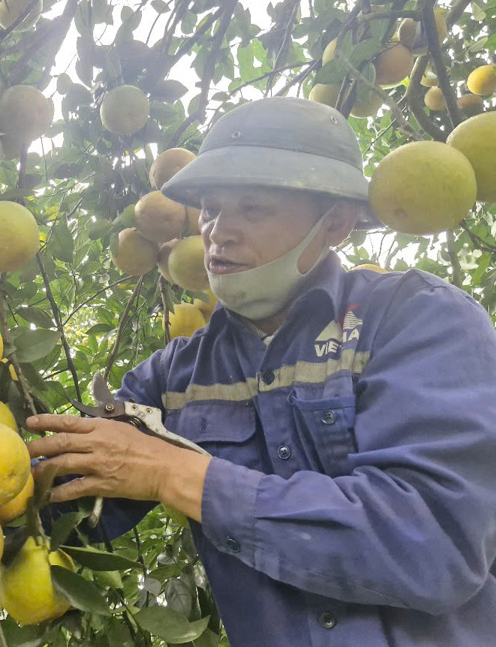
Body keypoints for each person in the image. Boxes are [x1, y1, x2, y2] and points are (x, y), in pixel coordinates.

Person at [27, 97, 496, 646]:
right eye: (211, 209)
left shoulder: (414, 320)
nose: (219, 232)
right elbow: (71, 499)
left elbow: (433, 545)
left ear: (336, 224)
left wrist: (177, 475)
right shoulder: (174, 376)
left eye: (253, 209)